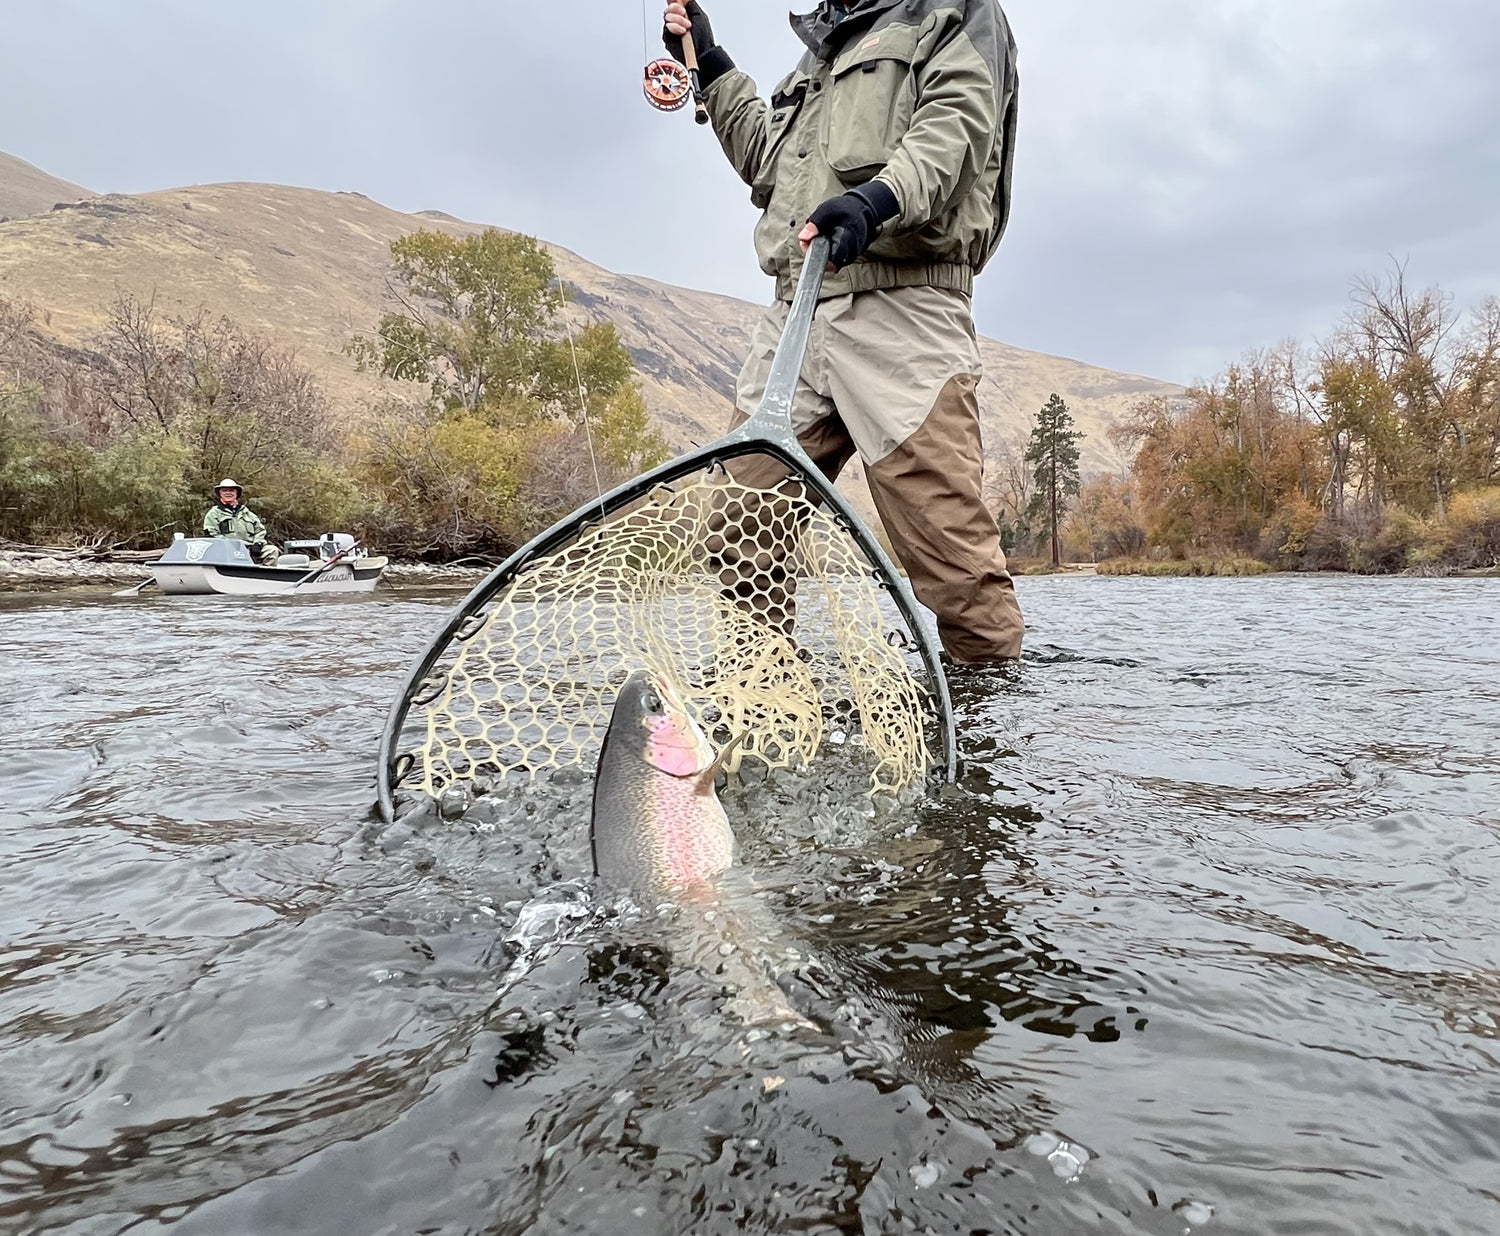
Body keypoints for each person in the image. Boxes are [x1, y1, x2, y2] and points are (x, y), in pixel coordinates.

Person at [662, 0, 1025, 662]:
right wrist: (710, 63)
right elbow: (771, 165)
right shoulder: (819, 52)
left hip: (906, 308)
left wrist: (876, 201)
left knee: (952, 562)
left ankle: (985, 741)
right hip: (795, 313)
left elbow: (958, 130)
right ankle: (767, 712)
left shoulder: (959, 12)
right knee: (738, 525)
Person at [203, 479, 280, 565]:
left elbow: (260, 531)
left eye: (231, 490)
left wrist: (257, 545)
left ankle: (266, 576)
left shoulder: (248, 514)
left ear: (237, 493)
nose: (228, 493)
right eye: (225, 490)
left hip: (249, 548)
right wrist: (232, 545)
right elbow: (211, 534)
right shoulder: (213, 514)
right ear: (220, 493)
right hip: (226, 550)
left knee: (272, 551)